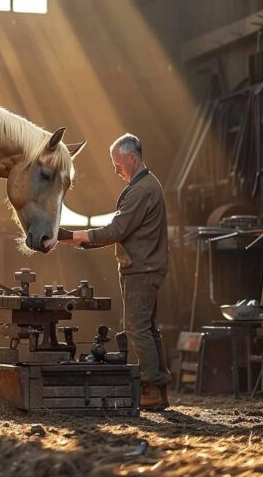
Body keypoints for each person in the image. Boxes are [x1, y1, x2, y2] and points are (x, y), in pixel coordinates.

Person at [59, 133, 170, 410]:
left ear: (132, 158)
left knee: (136, 329)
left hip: (141, 269)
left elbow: (116, 230)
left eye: (118, 163)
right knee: (148, 329)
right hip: (145, 267)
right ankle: (158, 388)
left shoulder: (142, 190)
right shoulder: (145, 186)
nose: (115, 169)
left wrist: (71, 235)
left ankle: (149, 388)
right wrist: (79, 240)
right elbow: (121, 233)